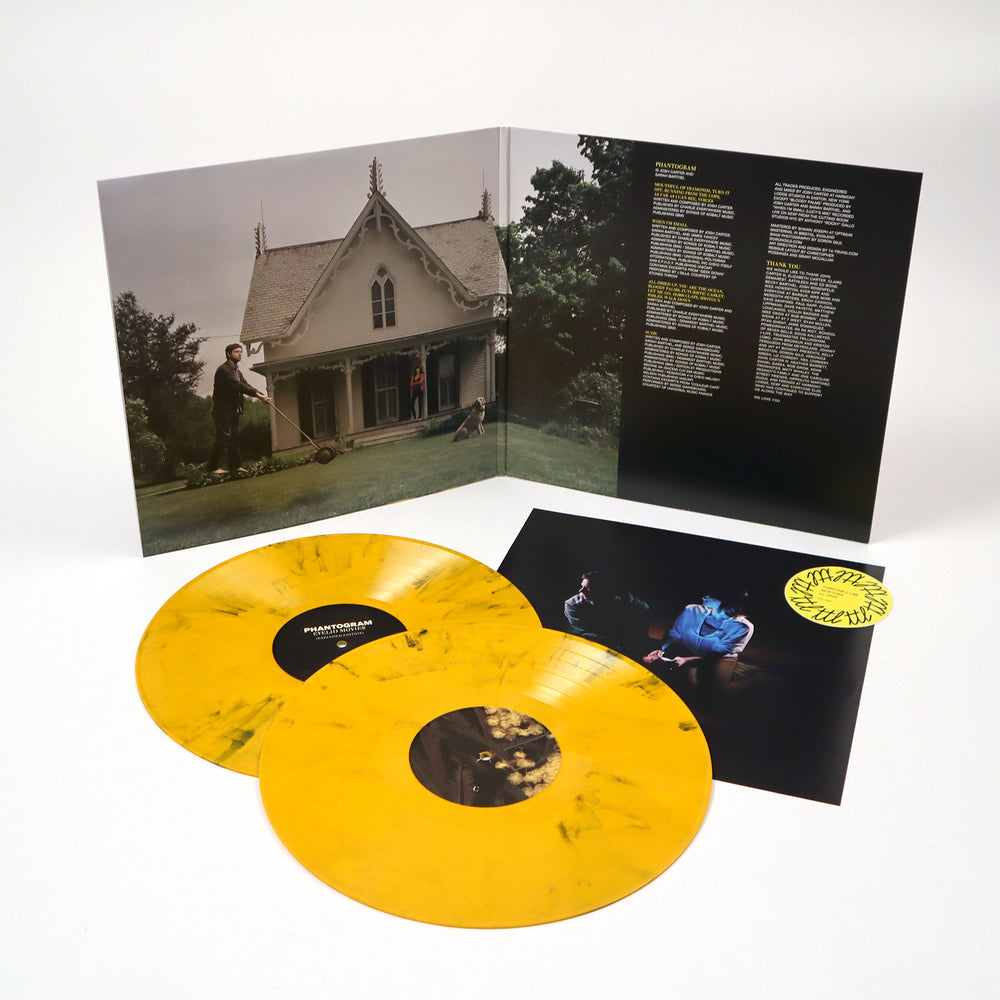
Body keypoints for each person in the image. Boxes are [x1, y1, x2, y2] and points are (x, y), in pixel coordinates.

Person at [643, 592, 753, 695]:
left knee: (713, 694)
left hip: (718, 659)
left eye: (712, 596)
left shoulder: (743, 627)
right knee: (684, 685)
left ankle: (751, 677)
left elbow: (716, 654)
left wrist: (687, 660)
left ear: (727, 603)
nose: (705, 597)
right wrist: (662, 649)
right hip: (689, 651)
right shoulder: (691, 610)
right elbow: (675, 633)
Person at [207, 343, 270, 474]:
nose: (240, 354)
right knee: (224, 437)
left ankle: (235, 466)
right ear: (228, 354)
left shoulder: (237, 371)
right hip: (222, 410)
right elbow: (238, 386)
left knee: (234, 438)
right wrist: (259, 396)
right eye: (237, 352)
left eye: (241, 352)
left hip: (233, 409)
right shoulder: (223, 370)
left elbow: (245, 384)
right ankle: (212, 468)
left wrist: (261, 395)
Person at [563, 570, 650, 656]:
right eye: (582, 586)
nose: (581, 591)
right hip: (586, 641)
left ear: (602, 590)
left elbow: (643, 610)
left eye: (588, 588)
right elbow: (588, 633)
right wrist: (621, 646)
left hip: (613, 634)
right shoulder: (573, 605)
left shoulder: (620, 597)